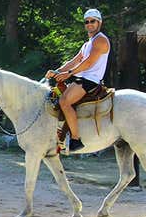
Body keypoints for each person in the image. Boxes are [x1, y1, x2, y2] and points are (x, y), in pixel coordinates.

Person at [44, 8, 110, 152]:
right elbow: (74, 61)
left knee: (64, 101)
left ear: (99, 23)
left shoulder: (101, 40)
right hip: (81, 78)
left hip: (90, 80)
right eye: (87, 22)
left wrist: (68, 74)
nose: (89, 24)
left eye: (93, 21)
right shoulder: (87, 43)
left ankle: (75, 139)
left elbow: (88, 63)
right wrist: (57, 72)